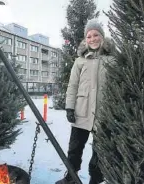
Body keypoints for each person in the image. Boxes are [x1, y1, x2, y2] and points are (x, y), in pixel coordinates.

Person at [55, 19, 115, 184]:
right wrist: (69, 107)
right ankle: (71, 176)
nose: (92, 39)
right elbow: (72, 86)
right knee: (74, 148)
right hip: (82, 112)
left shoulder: (112, 60)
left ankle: (95, 179)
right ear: (85, 39)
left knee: (99, 152)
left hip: (103, 115)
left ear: (102, 37)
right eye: (89, 36)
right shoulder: (80, 61)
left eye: (96, 35)